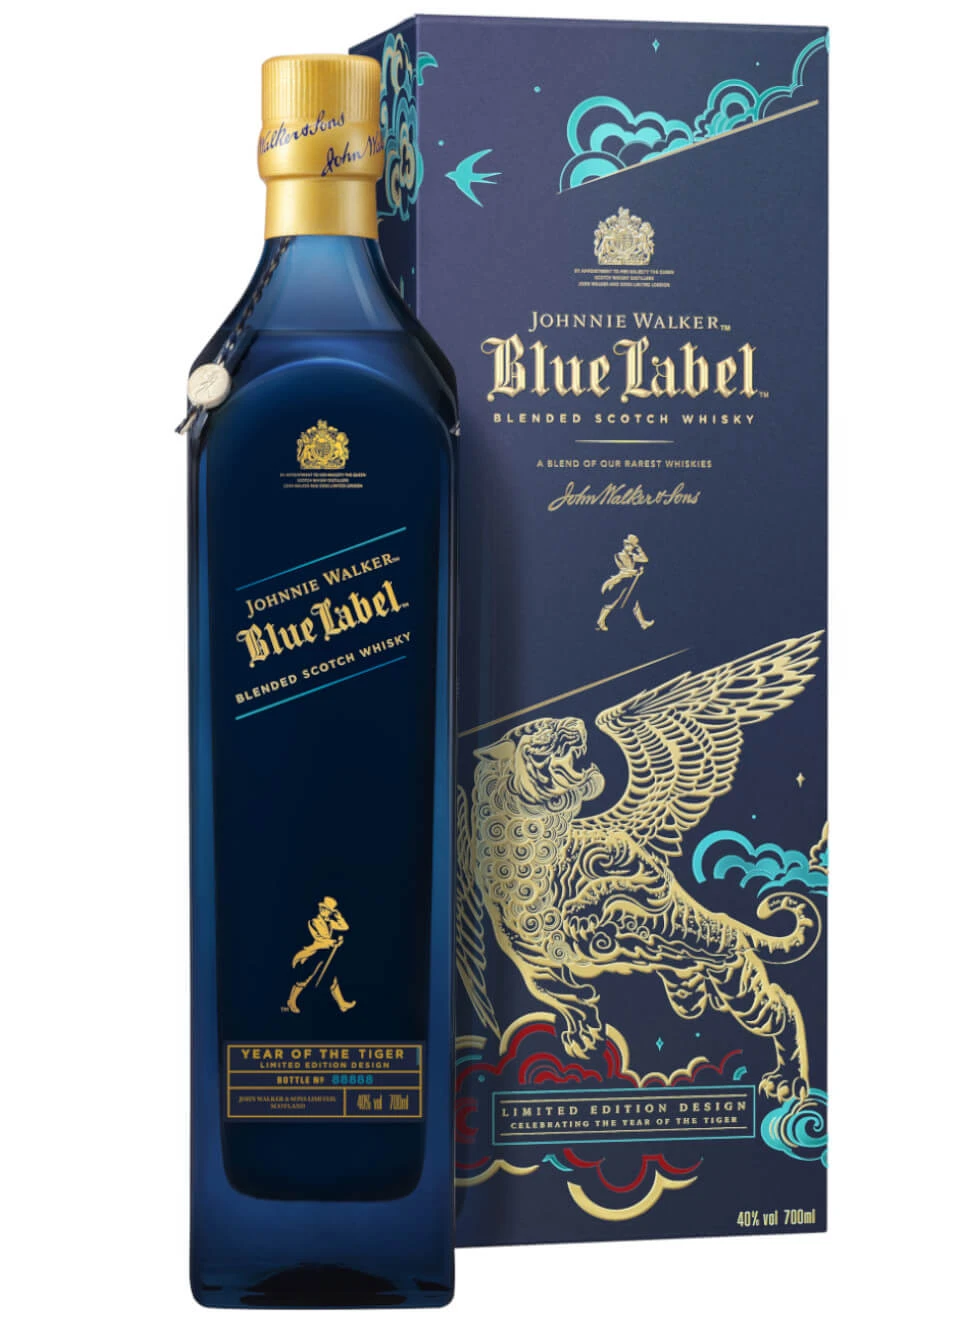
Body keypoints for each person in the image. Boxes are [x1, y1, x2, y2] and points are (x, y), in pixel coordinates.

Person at [286, 896, 356, 1014]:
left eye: (327, 910)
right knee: (304, 977)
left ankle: (342, 1004)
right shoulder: (314, 921)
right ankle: (291, 1001)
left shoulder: (330, 923)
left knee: (332, 978)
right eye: (323, 908)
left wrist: (339, 916)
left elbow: (345, 927)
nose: (324, 911)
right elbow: (320, 939)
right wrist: (334, 942)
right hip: (313, 953)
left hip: (325, 954)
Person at [596, 534, 655, 632]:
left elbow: (645, 559)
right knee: (613, 602)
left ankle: (643, 623)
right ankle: (600, 621)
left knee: (635, 603)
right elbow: (624, 570)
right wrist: (636, 572)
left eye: (632, 546)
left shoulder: (632, 556)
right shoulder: (619, 555)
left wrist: (639, 549)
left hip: (628, 582)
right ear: (625, 545)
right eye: (630, 546)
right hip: (620, 581)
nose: (631, 548)